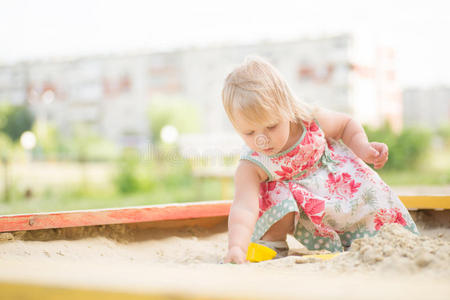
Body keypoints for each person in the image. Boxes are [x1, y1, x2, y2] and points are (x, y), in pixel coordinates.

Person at [221, 56, 418, 264]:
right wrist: (236, 247)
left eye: (271, 126)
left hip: (337, 183)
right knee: (273, 192)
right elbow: (244, 206)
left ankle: (377, 235)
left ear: (286, 108)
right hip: (302, 206)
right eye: (249, 132)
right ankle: (273, 243)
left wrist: (362, 147)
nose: (262, 140)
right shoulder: (252, 164)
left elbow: (345, 124)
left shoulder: (308, 119)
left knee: (372, 201)